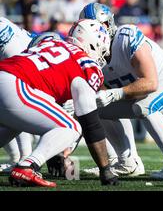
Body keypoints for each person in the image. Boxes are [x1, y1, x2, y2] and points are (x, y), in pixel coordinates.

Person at [80, 3, 163, 180]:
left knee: (144, 104)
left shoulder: (126, 37)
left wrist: (115, 94)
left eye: (98, 27)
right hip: (145, 93)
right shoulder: (92, 55)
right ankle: (127, 162)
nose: (96, 34)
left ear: (108, 24)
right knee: (95, 107)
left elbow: (150, 83)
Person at [0, 19, 117, 187]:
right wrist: (105, 169)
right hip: (14, 85)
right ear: (94, 44)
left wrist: (54, 148)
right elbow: (89, 120)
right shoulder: (88, 65)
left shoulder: (50, 42)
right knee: (72, 128)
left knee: (15, 123)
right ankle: (28, 166)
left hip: (7, 75)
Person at [0, 17, 35, 174]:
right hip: (24, 56)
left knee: (15, 104)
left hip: (24, 62)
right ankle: (18, 159)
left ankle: (24, 159)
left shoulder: (5, 34)